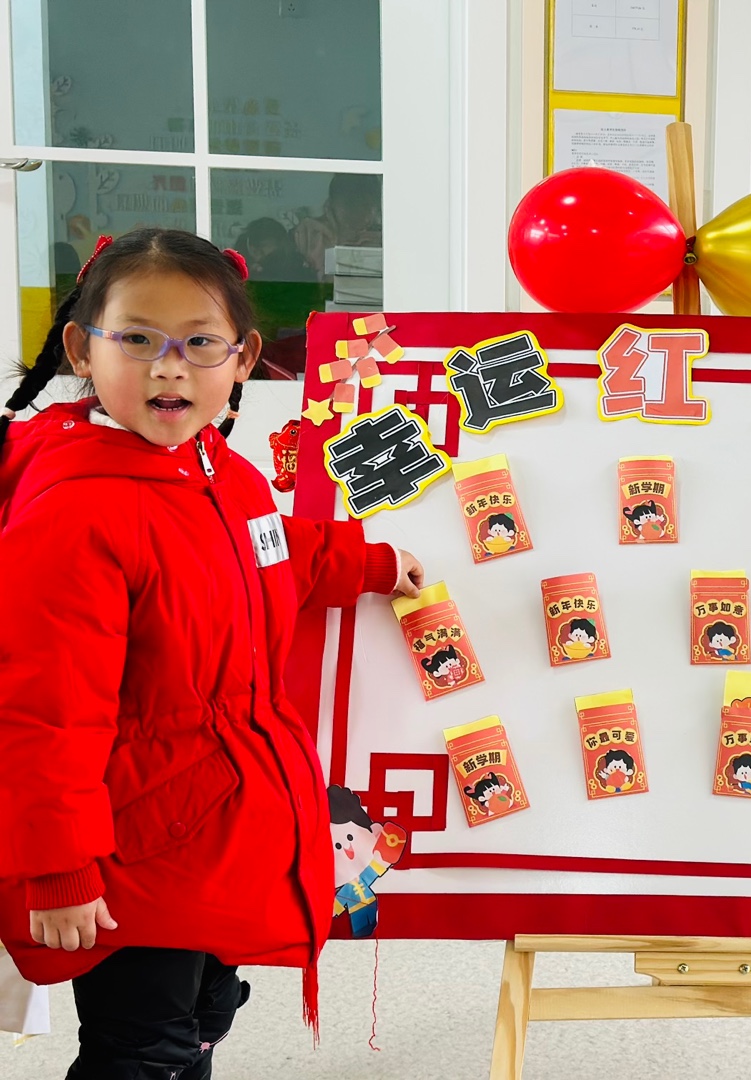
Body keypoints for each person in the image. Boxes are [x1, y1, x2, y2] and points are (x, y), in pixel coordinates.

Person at [0, 228, 426, 1078]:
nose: (170, 369)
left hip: (219, 813)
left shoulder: (217, 471)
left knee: (203, 1015)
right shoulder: (74, 513)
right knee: (141, 1045)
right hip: (129, 840)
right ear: (82, 349)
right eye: (138, 339)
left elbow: (266, 548)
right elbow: (45, 708)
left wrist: (366, 563)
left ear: (243, 360)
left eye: (199, 344)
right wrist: (57, 868)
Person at [291, 174, 382, 279]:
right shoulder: (309, 236)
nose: (361, 214)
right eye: (351, 204)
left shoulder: (382, 238)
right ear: (329, 207)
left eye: (367, 206)